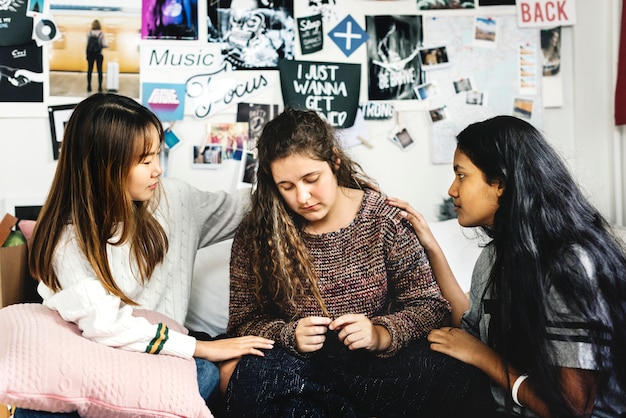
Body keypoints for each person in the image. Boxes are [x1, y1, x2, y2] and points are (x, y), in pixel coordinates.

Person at [220, 107, 492, 417]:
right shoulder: (257, 232)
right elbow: (243, 322)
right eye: (287, 187)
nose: (303, 197)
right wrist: (289, 334)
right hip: (301, 368)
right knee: (248, 376)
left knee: (457, 375)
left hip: (378, 367)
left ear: (334, 162)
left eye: (312, 179)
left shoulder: (382, 218)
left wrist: (381, 333)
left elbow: (430, 306)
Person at [14, 93, 273, 417]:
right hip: (91, 358)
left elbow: (244, 207)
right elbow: (106, 325)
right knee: (43, 405)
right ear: (103, 165)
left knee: (203, 375)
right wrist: (203, 347)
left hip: (153, 359)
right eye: (144, 160)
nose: (158, 170)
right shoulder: (68, 239)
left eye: (157, 156)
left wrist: (298, 180)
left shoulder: (175, 199)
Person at [388, 115, 626, 417]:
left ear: (499, 183)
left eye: (461, 175)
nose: (452, 190)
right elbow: (469, 327)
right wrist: (432, 247)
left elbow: (572, 409)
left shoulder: (570, 264)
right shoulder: (495, 256)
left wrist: (482, 357)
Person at [85, 19, 108, 93]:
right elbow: (104, 44)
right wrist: (106, 46)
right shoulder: (101, 34)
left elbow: (87, 44)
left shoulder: (89, 33)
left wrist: (87, 54)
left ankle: (89, 86)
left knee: (89, 70)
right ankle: (100, 87)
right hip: (99, 54)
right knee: (99, 71)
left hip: (90, 54)